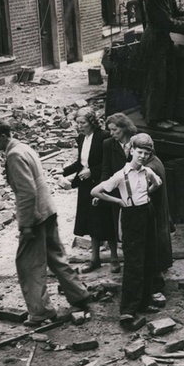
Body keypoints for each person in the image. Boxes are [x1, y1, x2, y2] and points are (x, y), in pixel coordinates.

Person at [0, 119, 91, 327]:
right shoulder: (24, 147)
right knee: (55, 256)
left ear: (3, 137)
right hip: (48, 209)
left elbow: (26, 192)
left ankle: (41, 311)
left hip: (35, 215)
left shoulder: (14, 155)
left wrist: (26, 224)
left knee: (28, 264)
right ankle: (79, 294)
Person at [91, 134, 163, 327]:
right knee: (133, 262)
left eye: (146, 153)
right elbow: (96, 191)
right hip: (131, 216)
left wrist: (148, 192)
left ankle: (144, 302)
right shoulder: (120, 175)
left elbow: (158, 183)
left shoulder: (147, 172)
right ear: (131, 151)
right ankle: (128, 310)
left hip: (147, 213)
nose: (142, 156)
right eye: (139, 152)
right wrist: (117, 201)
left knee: (149, 258)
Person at [61, 108, 117, 274]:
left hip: (102, 183)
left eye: (83, 123)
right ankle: (95, 259)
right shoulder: (81, 138)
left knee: (106, 220)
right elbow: (80, 163)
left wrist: (93, 171)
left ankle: (114, 258)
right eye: (78, 123)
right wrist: (63, 172)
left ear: (92, 122)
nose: (80, 126)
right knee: (91, 221)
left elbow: (110, 163)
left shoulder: (104, 137)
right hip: (86, 186)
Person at [141, 0, 184, 130]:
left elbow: (175, 13)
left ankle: (166, 116)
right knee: (157, 80)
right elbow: (165, 21)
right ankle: (153, 119)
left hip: (165, 40)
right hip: (154, 40)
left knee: (170, 78)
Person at [99, 112, 138, 272]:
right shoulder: (108, 144)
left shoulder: (137, 142)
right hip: (116, 190)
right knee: (113, 223)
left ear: (125, 128)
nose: (112, 133)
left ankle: (132, 258)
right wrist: (103, 188)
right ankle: (114, 258)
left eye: (115, 130)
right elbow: (106, 168)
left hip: (134, 189)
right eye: (110, 130)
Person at [139, 133, 174, 307]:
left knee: (153, 249)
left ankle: (156, 286)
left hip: (154, 212)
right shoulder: (155, 161)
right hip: (158, 211)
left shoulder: (151, 167)